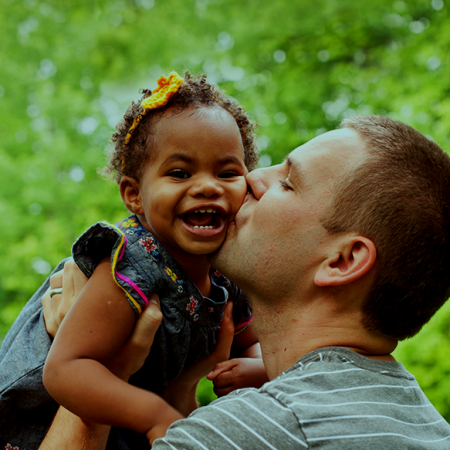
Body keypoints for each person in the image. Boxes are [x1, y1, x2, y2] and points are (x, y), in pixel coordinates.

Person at [39, 115, 450, 449]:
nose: (251, 179)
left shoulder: (259, 429)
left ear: (342, 261)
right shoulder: (424, 427)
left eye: (288, 182)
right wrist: (182, 393)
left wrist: (107, 364)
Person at [0, 71, 268, 448]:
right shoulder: (132, 261)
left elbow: (253, 343)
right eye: (179, 172)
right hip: (34, 422)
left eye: (227, 172)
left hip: (120, 420)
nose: (208, 186)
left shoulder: (229, 273)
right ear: (134, 195)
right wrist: (155, 414)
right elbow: (66, 370)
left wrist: (260, 367)